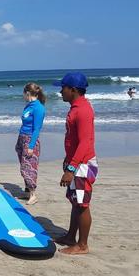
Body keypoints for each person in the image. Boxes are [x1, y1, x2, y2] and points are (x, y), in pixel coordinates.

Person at [53, 72, 98, 255]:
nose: (60, 92)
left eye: (62, 88)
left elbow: (85, 142)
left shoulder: (83, 110)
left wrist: (71, 168)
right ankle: (71, 237)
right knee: (75, 202)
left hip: (83, 165)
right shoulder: (76, 107)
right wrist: (68, 161)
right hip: (76, 163)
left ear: (72, 90)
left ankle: (82, 245)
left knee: (82, 204)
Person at [15, 83, 46, 205]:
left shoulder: (38, 108)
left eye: (23, 94)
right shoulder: (28, 106)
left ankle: (33, 195)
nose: (22, 96)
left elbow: (37, 129)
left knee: (28, 167)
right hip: (22, 137)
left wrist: (31, 146)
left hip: (30, 139)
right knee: (23, 164)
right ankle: (28, 192)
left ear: (27, 93)